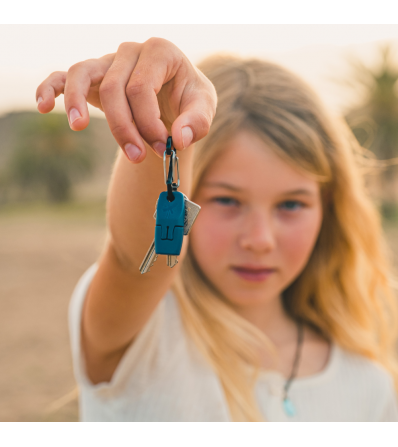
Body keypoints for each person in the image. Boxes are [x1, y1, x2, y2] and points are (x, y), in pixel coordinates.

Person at [36, 38, 398, 422]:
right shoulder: (144, 336)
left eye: (291, 204)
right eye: (227, 201)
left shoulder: (371, 386)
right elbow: (133, 258)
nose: (259, 240)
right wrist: (161, 122)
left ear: (329, 209)